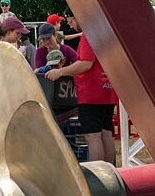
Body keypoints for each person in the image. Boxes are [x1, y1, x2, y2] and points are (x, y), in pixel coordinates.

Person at [46, 13, 119, 164]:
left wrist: (60, 71)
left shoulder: (89, 35)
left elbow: (85, 63)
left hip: (91, 91)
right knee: (105, 133)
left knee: (93, 136)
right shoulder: (103, 33)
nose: (71, 25)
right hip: (106, 89)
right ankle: (112, 172)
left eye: (71, 21)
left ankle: (99, 176)